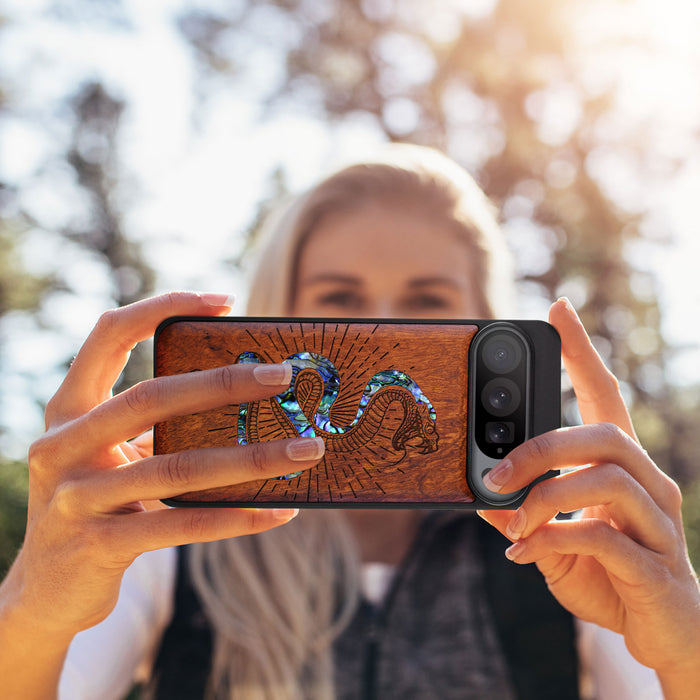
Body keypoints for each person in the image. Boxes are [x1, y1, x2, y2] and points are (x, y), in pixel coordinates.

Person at [0, 145, 698, 700]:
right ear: (280, 312)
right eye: (341, 299)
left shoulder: (567, 545)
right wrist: (34, 607)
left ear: (487, 322)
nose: (383, 329)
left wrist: (685, 648)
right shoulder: (171, 536)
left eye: (427, 302)